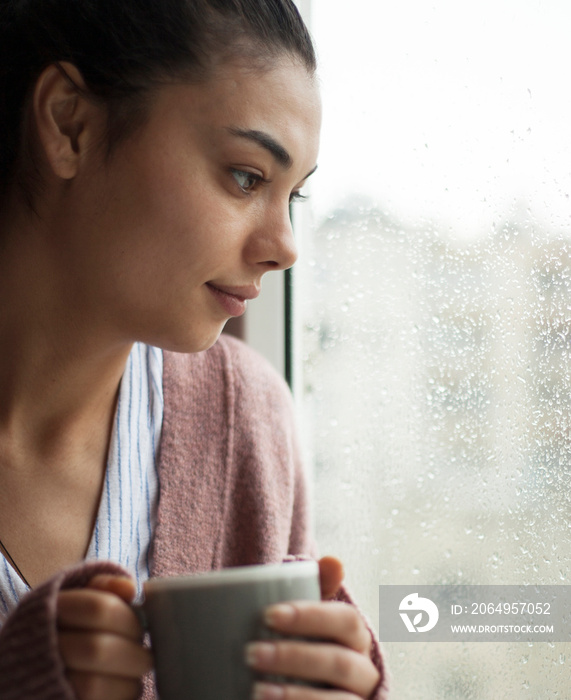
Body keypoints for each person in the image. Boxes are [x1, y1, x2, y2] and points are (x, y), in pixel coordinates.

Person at [0, 1, 388, 698]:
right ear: (70, 124)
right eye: (246, 177)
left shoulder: (245, 419)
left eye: (293, 196)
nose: (285, 248)